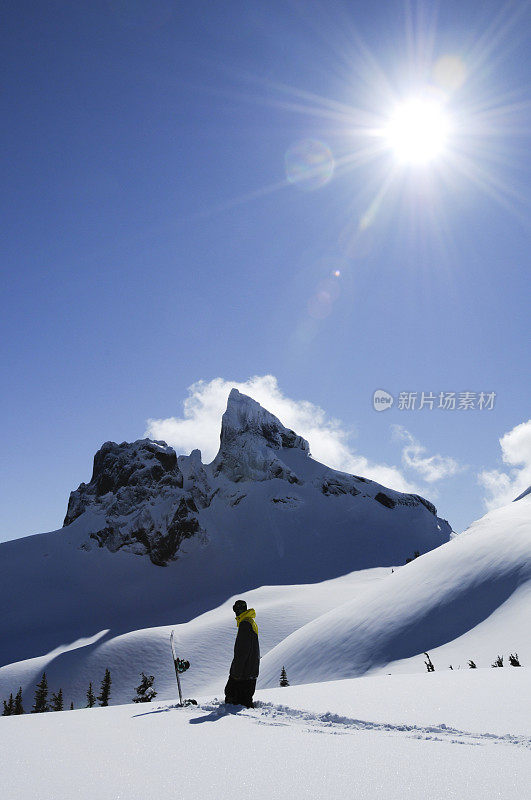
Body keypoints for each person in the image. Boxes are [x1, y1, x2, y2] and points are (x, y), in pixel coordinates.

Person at [224, 599, 260, 708]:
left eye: (236, 609)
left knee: (232, 697)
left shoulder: (245, 624)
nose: (235, 612)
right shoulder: (250, 621)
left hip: (243, 672)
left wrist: (236, 673)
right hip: (251, 670)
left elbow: (242, 651)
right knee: (245, 701)